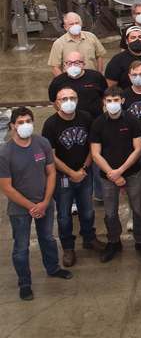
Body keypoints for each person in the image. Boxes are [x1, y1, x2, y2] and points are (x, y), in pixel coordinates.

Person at [1, 108, 73, 301]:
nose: (25, 125)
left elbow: (51, 173)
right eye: (20, 122)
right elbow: (6, 188)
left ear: (33, 122)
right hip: (19, 209)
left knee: (48, 239)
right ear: (12, 126)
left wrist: (45, 201)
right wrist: (31, 207)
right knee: (21, 247)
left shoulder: (42, 143)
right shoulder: (5, 152)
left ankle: (53, 268)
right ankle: (24, 283)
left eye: (28, 121)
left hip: (45, 203)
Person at [41, 89, 105, 267]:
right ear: (57, 102)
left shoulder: (85, 118)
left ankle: (89, 239)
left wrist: (83, 169)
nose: (68, 101)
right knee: (63, 215)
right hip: (63, 176)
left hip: (85, 173)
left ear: (77, 99)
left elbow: (94, 145)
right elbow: (51, 156)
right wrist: (71, 173)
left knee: (88, 210)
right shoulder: (50, 124)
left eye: (71, 98)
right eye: (64, 99)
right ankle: (68, 248)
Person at [90, 87, 141, 263]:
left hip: (132, 174)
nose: (112, 104)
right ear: (104, 102)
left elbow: (138, 148)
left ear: (122, 101)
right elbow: (95, 153)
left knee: (138, 210)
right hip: (108, 177)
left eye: (115, 100)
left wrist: (121, 171)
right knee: (110, 213)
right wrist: (113, 174)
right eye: (108, 101)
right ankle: (114, 242)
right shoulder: (98, 123)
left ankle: (140, 241)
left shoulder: (132, 121)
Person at [48, 51, 108, 120]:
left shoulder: (96, 76)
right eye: (69, 63)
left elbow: (105, 96)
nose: (73, 66)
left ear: (83, 64)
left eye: (77, 63)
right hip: (71, 122)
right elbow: (54, 101)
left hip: (95, 120)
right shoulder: (57, 81)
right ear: (65, 65)